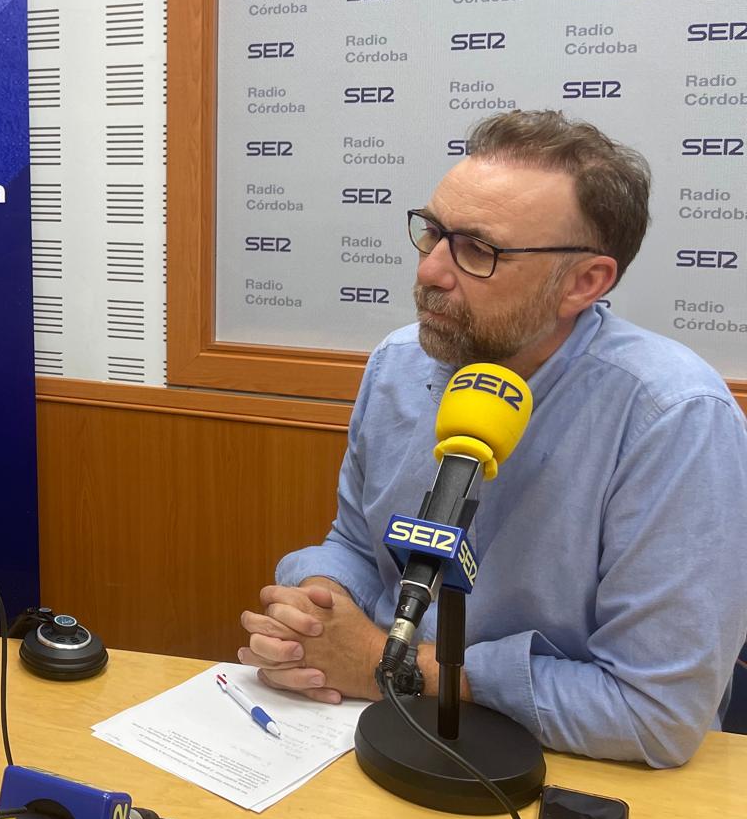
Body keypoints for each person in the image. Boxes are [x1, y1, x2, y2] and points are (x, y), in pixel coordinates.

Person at [239, 110, 747, 767]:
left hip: (575, 776)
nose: (431, 273)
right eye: (433, 233)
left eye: (480, 250)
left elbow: (655, 714)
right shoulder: (399, 365)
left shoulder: (674, 418)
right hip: (375, 740)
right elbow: (359, 548)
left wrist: (385, 666)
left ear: (585, 282)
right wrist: (317, 607)